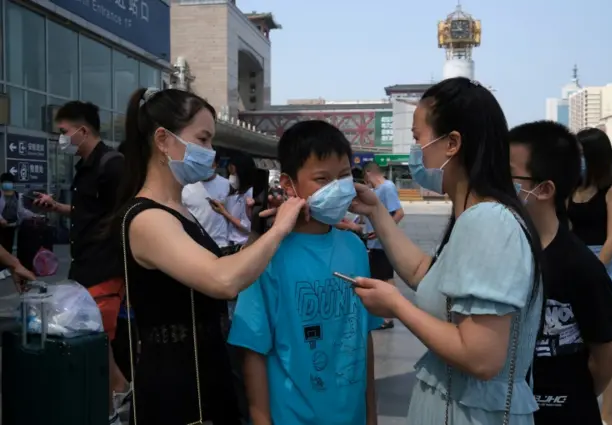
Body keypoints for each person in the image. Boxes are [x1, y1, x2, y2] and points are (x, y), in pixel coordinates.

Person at [347, 77, 544, 425]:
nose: (416, 150)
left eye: (418, 137)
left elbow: (481, 356)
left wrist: (397, 306)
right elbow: (428, 274)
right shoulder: (473, 215)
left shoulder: (489, 222)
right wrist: (377, 211)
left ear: (452, 143)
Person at [110, 87, 305, 425]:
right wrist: (280, 229)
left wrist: (260, 229)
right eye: (202, 139)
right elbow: (222, 279)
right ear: (162, 139)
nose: (210, 152)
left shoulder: (178, 210)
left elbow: (225, 268)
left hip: (207, 373)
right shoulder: (146, 218)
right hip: (178, 389)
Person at [228, 120, 382, 425]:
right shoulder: (266, 257)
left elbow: (364, 336)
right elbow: (253, 352)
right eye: (322, 179)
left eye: (343, 176)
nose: (337, 188)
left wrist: (371, 414)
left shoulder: (353, 247)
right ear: (289, 185)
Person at [509, 121, 612, 425]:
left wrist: (571, 396)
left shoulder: (582, 269)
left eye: (509, 177)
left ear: (544, 189)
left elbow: (607, 360)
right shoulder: (506, 253)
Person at [32, 100, 128, 424]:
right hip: (84, 269)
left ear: (83, 131)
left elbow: (127, 215)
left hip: (105, 269)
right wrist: (58, 207)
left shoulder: (112, 166)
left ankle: (115, 405)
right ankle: (117, 399)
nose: (61, 139)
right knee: (97, 343)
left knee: (97, 343)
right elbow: (89, 213)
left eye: (64, 132)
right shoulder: (86, 168)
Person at [567, 127, 612, 425]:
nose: (576, 159)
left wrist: (590, 271)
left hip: (602, 269)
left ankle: (608, 416)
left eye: (580, 153)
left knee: (606, 346)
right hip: (575, 264)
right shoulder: (571, 188)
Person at [362, 162, 404, 329]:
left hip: (382, 243)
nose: (366, 182)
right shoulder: (376, 191)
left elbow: (399, 213)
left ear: (369, 173)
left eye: (365, 177)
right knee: (380, 277)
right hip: (374, 242)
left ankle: (389, 317)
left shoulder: (387, 188)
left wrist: (382, 232)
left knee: (386, 279)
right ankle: (385, 315)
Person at [208, 154, 256, 255]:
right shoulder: (236, 193)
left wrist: (224, 213)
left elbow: (247, 227)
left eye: (233, 172)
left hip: (242, 245)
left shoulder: (250, 194)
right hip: (230, 243)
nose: (231, 175)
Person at [182, 155, 231, 250]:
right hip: (195, 245)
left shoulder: (227, 185)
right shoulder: (186, 186)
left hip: (221, 245)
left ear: (216, 165)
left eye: (209, 164)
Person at [0, 172, 36, 278]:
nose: (8, 185)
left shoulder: (16, 195)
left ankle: (5, 268)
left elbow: (21, 211)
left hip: (11, 225)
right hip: (1, 225)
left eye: (10, 182)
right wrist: (1, 220)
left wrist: (34, 216)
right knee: (1, 247)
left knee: (8, 247)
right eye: (5, 182)